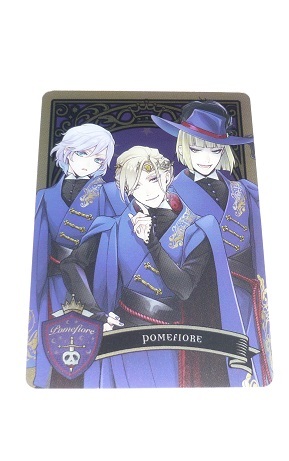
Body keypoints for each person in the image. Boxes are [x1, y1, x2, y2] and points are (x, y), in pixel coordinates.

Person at [59, 146, 253, 387]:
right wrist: (96, 314)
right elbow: (70, 265)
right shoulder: (112, 227)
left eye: (152, 179)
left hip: (177, 341)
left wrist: (151, 242)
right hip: (122, 336)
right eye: (136, 186)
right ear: (127, 191)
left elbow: (184, 288)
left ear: (167, 175)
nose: (147, 191)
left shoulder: (199, 229)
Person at [151, 100, 273, 386]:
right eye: (196, 149)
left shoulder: (243, 192)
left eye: (214, 150)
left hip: (242, 297)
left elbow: (260, 252)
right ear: (184, 147)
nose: (206, 158)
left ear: (224, 151)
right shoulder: (168, 195)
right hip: (198, 299)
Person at [27, 123, 126, 388]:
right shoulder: (44, 197)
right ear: (67, 152)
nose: (88, 163)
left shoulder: (110, 193)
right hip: (54, 285)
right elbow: (38, 251)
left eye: (97, 159)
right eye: (82, 154)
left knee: (93, 352)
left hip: (93, 284)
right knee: (55, 346)